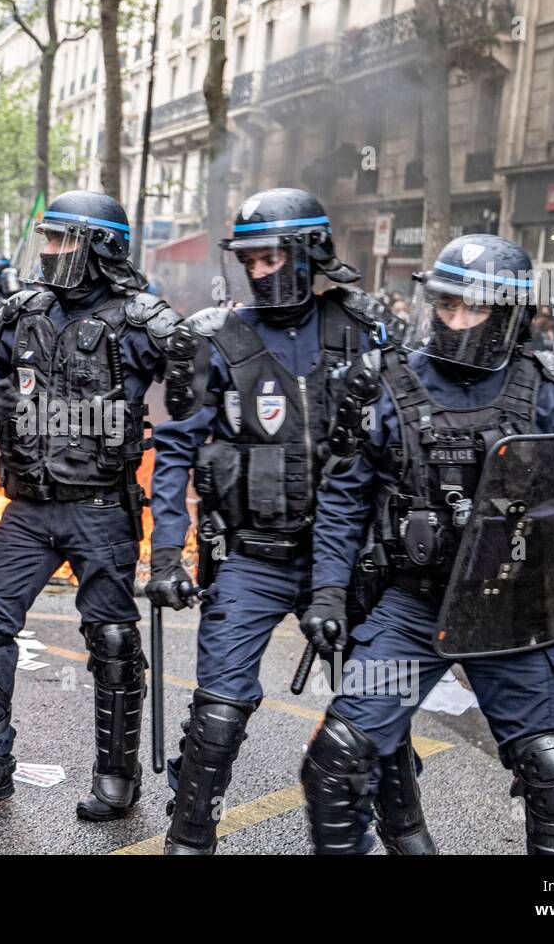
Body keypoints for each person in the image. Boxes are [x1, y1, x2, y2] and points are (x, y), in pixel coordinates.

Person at [300, 235, 554, 855]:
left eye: (474, 308)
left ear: (511, 312)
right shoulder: (385, 383)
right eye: (445, 304)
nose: (455, 320)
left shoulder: (549, 389)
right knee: (335, 764)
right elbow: (343, 497)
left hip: (508, 610)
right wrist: (329, 590)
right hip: (414, 606)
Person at [146, 188, 425, 855]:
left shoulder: (364, 330)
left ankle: (408, 837)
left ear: (308, 254)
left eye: (270, 257)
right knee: (218, 710)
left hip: (355, 562)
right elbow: (176, 449)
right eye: (249, 259)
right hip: (251, 556)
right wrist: (164, 553)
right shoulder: (212, 337)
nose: (257, 271)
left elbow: (403, 444)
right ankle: (189, 838)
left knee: (378, 708)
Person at [0, 189, 180, 821]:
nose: (51, 250)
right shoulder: (20, 311)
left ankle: (117, 777)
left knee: (113, 639)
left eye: (64, 239)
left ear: (101, 246)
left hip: (101, 509)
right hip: (29, 509)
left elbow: (203, 396)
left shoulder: (145, 320)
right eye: (49, 238)